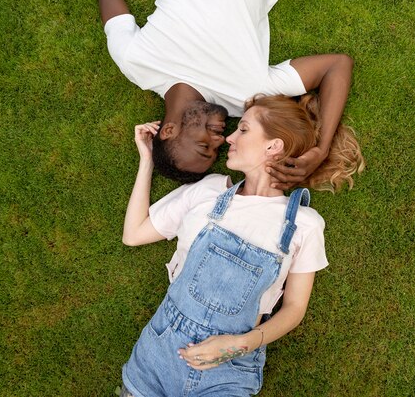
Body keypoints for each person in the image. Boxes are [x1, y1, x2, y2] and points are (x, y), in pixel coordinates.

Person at [120, 94, 364, 396]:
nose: (230, 138)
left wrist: (239, 344)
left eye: (244, 130)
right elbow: (133, 234)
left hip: (229, 370)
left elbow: (294, 309)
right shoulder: (208, 190)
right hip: (157, 355)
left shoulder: (303, 224)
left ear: (273, 147)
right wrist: (147, 159)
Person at [98, 0, 354, 186]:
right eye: (215, 150)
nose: (219, 141)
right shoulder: (247, 97)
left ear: (168, 131)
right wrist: (320, 150)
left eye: (203, 146)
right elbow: (337, 65)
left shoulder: (135, 63)